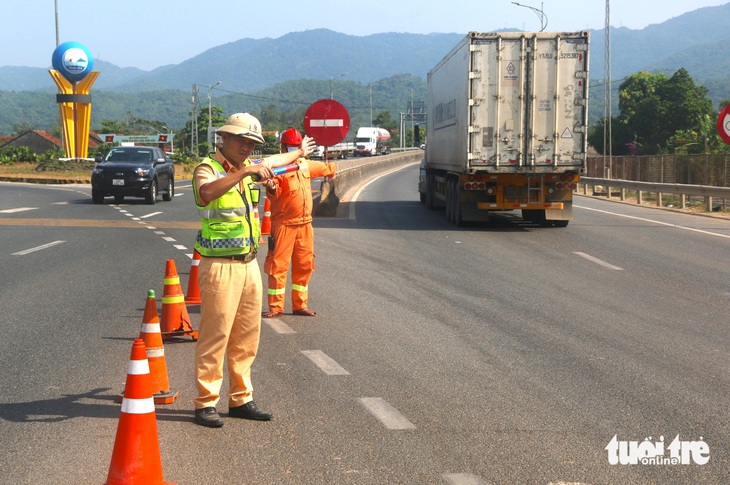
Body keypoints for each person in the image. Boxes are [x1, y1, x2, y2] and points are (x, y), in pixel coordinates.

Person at [192, 113, 315, 428]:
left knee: (247, 336)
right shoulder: (209, 168)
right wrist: (245, 171)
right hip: (219, 266)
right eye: (241, 141)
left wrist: (299, 152)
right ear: (225, 139)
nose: (247, 147)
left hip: (248, 265)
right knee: (215, 336)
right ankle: (206, 402)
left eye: (252, 143)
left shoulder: (250, 169)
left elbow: (275, 158)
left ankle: (240, 399)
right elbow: (206, 194)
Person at [262, 128, 336, 318]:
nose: (295, 150)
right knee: (278, 266)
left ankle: (300, 305)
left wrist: (332, 169)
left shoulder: (304, 165)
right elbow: (274, 191)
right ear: (283, 146)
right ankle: (275, 307)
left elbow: (326, 169)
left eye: (297, 146)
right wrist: (271, 186)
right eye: (292, 147)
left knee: (304, 265)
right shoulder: (277, 167)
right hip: (284, 225)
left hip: (305, 225)